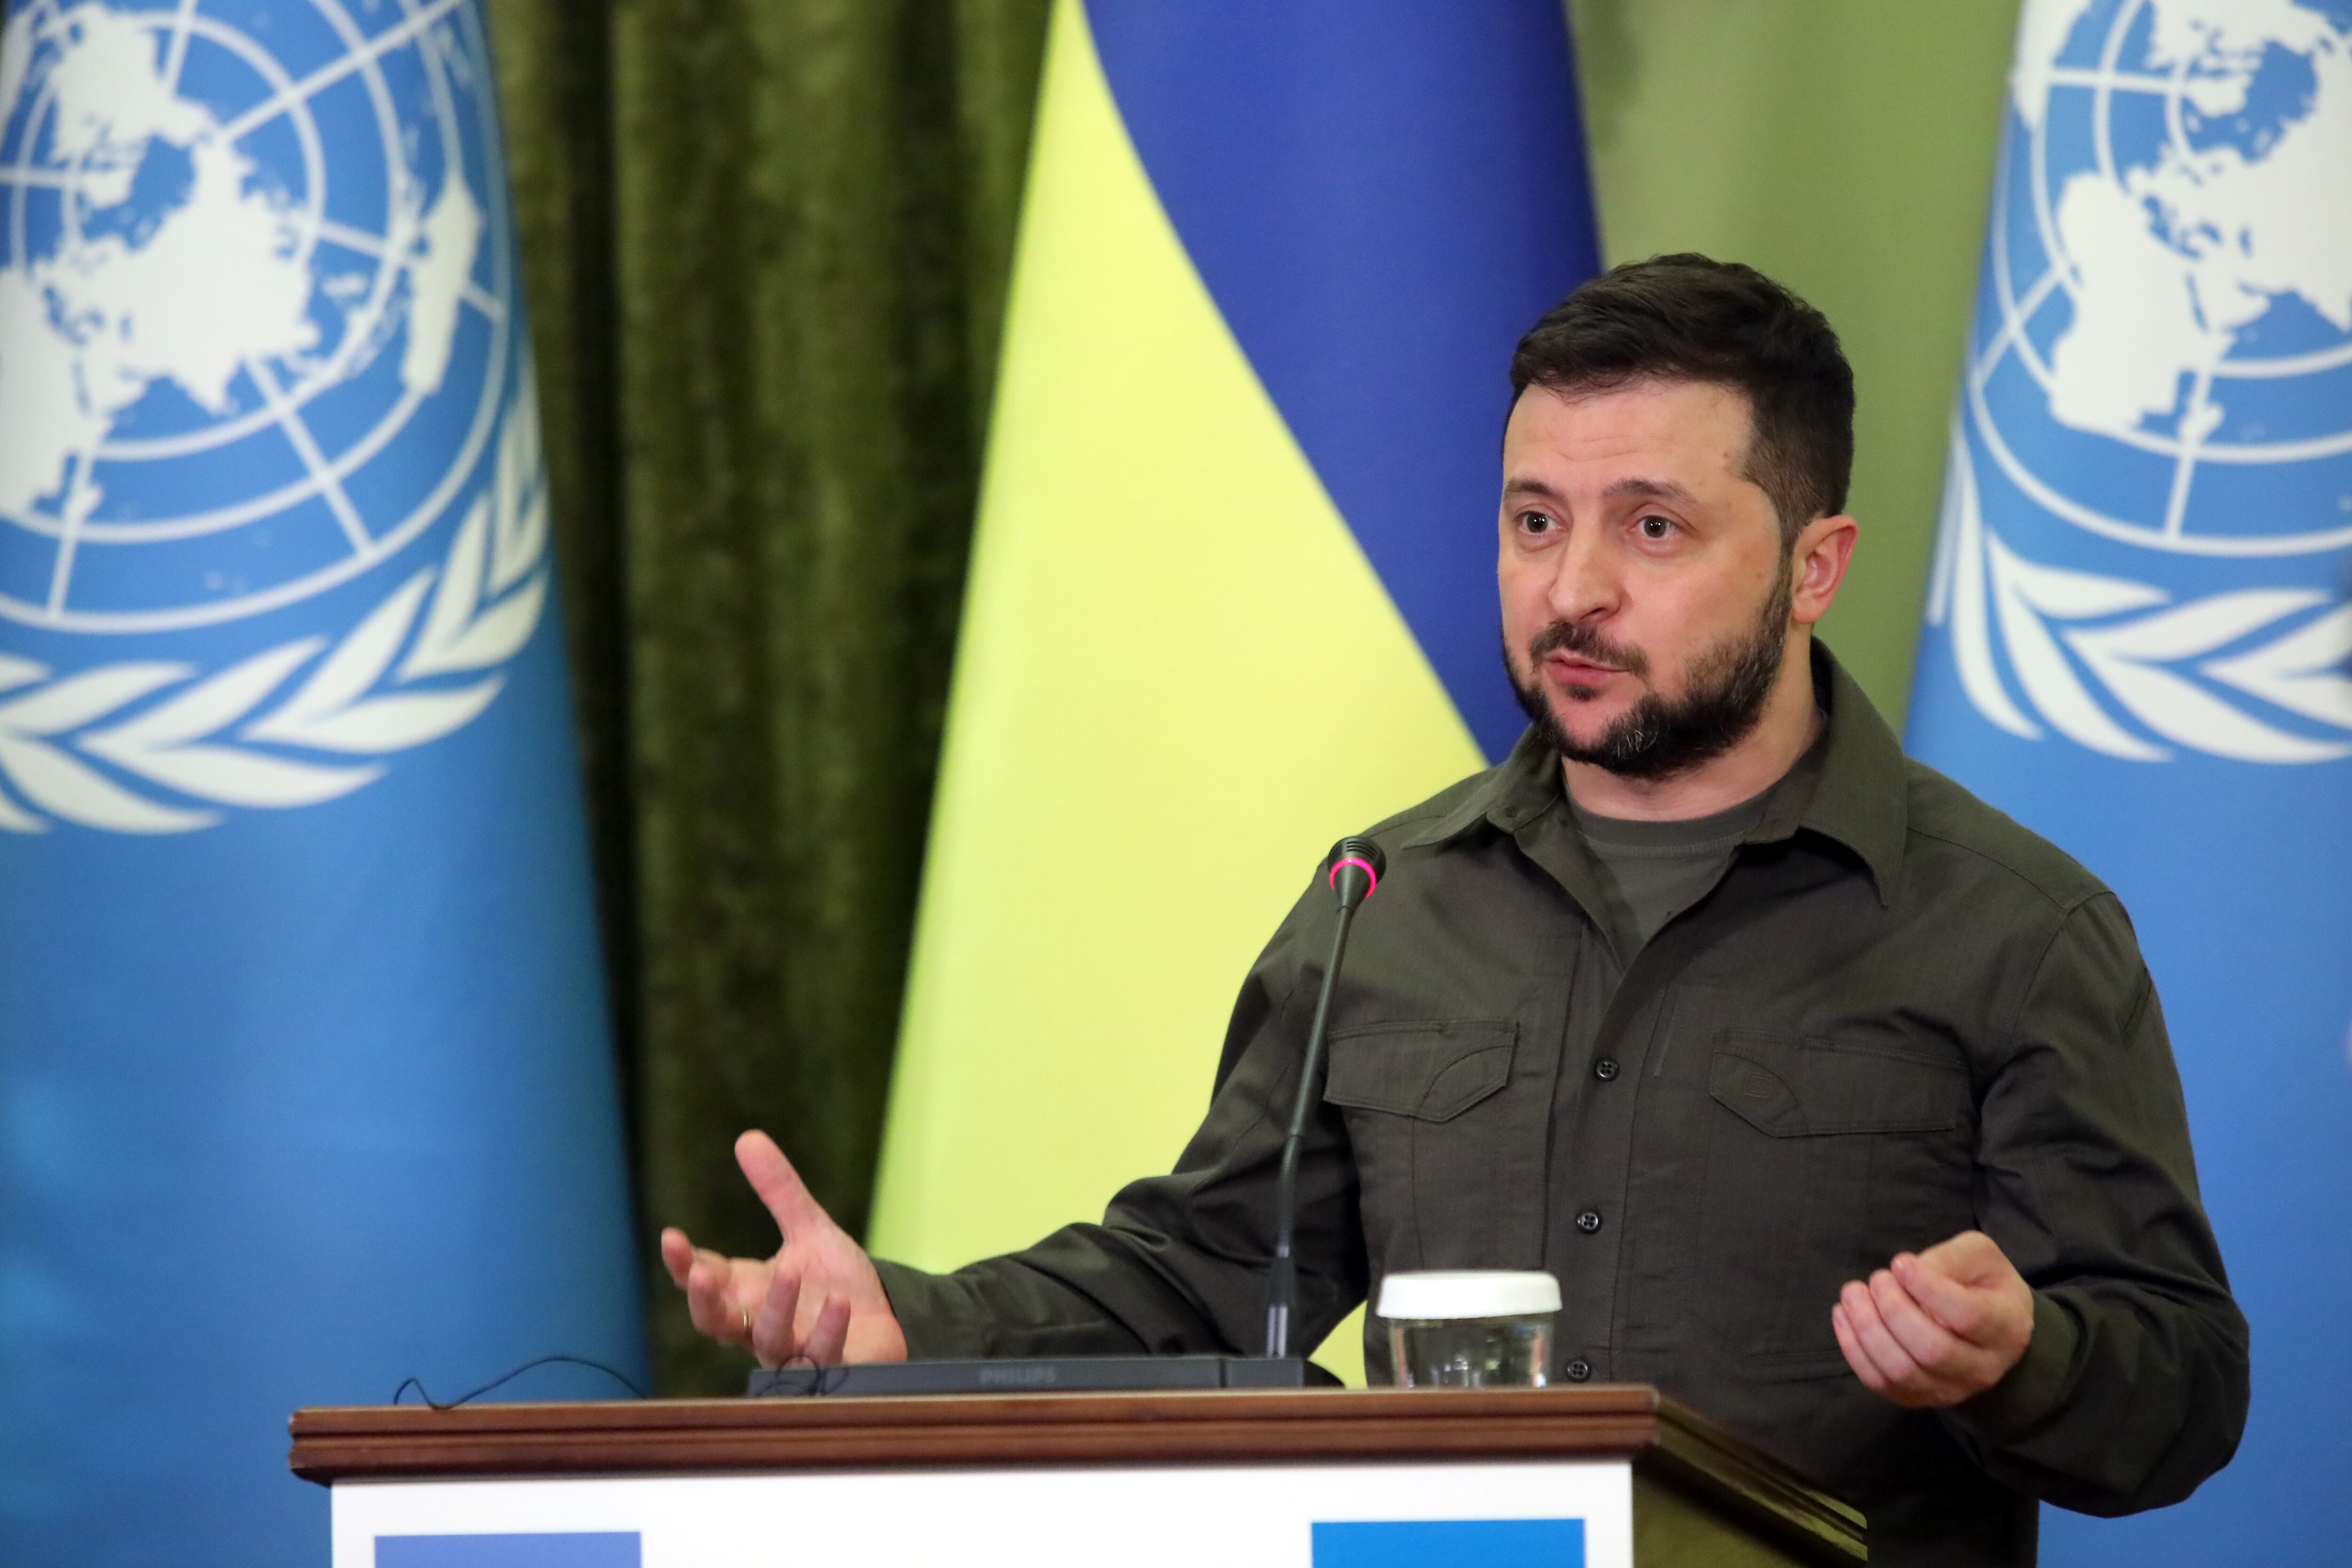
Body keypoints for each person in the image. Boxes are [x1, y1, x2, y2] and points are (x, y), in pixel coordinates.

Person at [659, 255, 2248, 1566]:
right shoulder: (1381, 904)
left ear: (1814, 565)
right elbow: (1203, 1278)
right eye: (1534, 520)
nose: (1572, 592)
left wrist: (2023, 1355)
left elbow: (2183, 1390)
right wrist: (908, 1324)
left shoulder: (2014, 930)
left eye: (1653, 527)